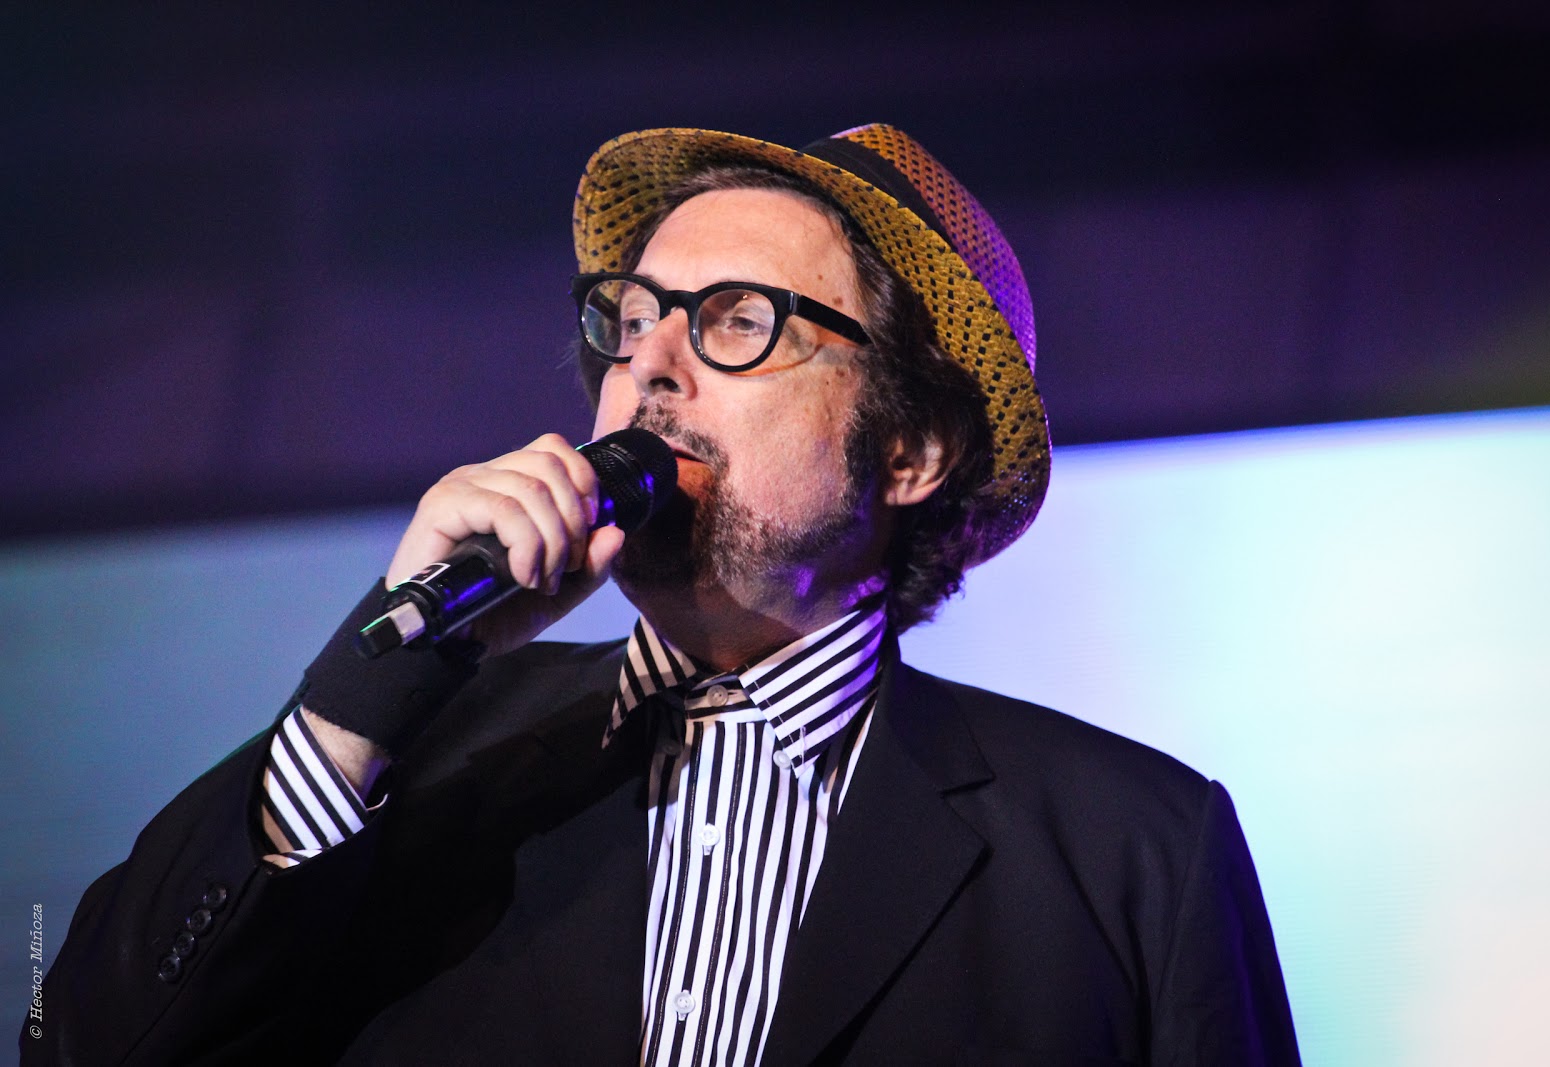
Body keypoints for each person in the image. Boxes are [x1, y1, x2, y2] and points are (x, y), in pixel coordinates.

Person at [25, 124, 1300, 1065]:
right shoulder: (421, 760)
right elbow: (81, 1041)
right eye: (630, 319)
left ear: (911, 450)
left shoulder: (1131, 847)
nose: (651, 365)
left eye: (738, 320)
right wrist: (369, 690)